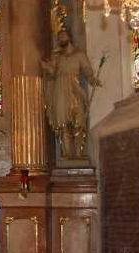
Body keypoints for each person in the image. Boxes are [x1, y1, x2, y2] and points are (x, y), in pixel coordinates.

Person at [41, 29, 101, 159]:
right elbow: (51, 73)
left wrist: (92, 79)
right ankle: (67, 154)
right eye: (59, 38)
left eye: (64, 36)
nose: (62, 39)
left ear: (69, 37)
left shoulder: (79, 54)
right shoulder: (56, 57)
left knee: (79, 121)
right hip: (60, 91)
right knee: (63, 125)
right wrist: (47, 68)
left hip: (74, 88)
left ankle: (79, 154)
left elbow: (87, 70)